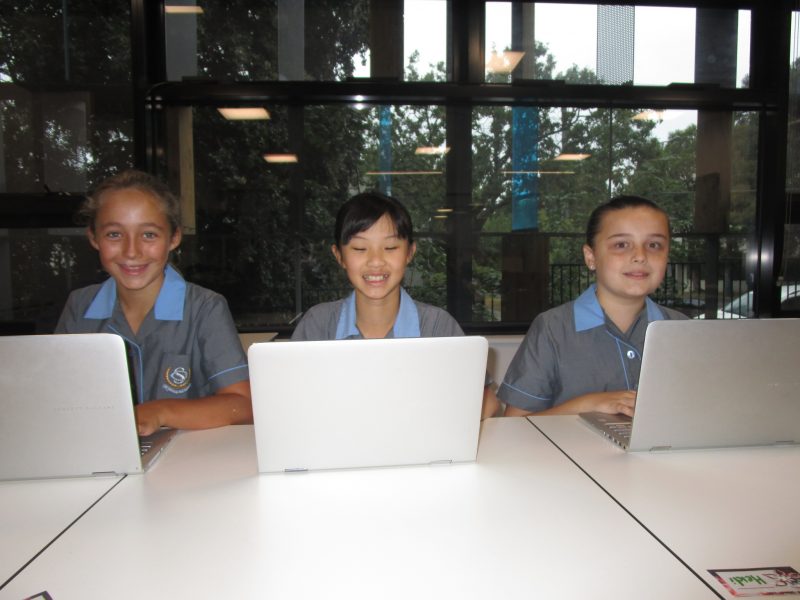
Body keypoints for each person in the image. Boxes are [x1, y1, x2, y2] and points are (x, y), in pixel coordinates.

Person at [55, 169, 252, 435]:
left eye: (149, 235)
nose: (131, 251)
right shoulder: (79, 306)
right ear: (93, 238)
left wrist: (160, 412)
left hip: (188, 455)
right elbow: (58, 398)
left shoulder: (205, 308)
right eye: (114, 234)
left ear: (174, 238)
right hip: (102, 448)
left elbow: (243, 405)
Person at [292, 191, 499, 418]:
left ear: (410, 252)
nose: (376, 261)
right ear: (339, 256)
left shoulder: (437, 326)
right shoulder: (318, 325)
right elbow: (289, 399)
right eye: (359, 249)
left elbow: (488, 402)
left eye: (390, 248)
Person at [498, 195, 687, 418]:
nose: (640, 256)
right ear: (591, 257)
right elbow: (514, 425)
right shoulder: (553, 329)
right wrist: (586, 404)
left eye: (654, 245)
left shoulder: (683, 330)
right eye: (621, 245)